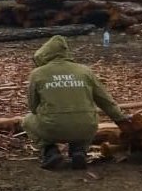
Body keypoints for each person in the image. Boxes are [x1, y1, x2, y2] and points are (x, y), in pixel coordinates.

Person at [23, 35, 133, 170]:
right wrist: (120, 119)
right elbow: (105, 101)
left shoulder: (37, 74)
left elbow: (33, 107)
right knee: (85, 120)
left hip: (52, 129)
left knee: (27, 120)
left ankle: (50, 152)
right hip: (86, 129)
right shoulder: (85, 71)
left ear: (44, 54)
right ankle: (79, 151)